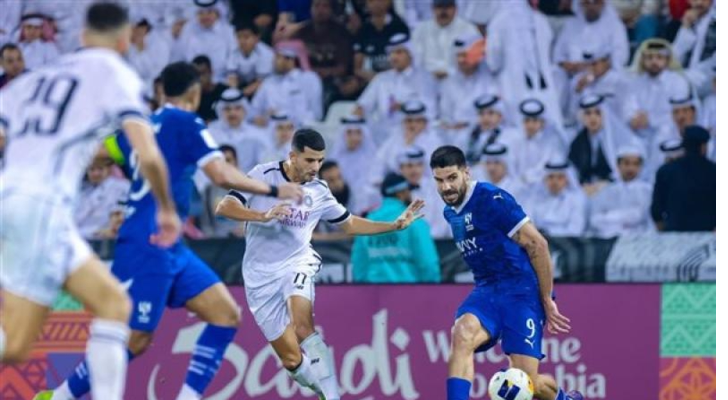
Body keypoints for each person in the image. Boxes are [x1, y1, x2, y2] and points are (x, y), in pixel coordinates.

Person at [41, 62, 303, 400]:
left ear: (163, 90)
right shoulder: (186, 122)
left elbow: (97, 153)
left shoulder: (138, 127)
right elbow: (219, 174)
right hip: (148, 243)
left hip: (171, 245)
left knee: (224, 314)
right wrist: (273, 190)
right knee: (137, 339)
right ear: (194, 94)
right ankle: (57, 397)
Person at [0, 5, 181, 400]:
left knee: (113, 303)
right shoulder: (115, 74)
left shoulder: (35, 79)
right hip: (41, 207)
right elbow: (148, 154)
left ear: (81, 37)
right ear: (123, 40)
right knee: (14, 345)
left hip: (14, 198)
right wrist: (167, 208)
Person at [216, 129, 425, 400]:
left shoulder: (319, 190)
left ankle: (333, 397)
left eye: (320, 161)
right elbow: (224, 208)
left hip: (297, 262)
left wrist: (393, 226)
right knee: (292, 361)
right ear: (293, 156)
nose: (316, 167)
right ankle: (323, 391)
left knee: (303, 326)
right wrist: (262, 215)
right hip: (258, 275)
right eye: (310, 160)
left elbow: (349, 223)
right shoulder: (263, 175)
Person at [429, 146, 582, 400]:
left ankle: (563, 398)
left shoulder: (492, 199)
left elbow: (538, 245)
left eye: (452, 178)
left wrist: (547, 299)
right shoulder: (450, 211)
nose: (446, 187)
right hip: (486, 291)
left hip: (521, 292)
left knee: (527, 383)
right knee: (462, 333)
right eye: (439, 180)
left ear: (466, 173)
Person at [486, 1, 563, 129]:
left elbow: (493, 62)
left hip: (513, 88)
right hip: (543, 89)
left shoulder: (499, 22)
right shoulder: (540, 19)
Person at [353, 173, 441, 283]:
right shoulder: (414, 222)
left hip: (374, 295)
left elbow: (359, 266)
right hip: (408, 294)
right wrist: (431, 292)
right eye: (409, 191)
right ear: (401, 193)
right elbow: (428, 263)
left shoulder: (366, 222)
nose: (410, 195)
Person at [355, 33, 437, 144]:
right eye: (391, 53)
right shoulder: (381, 79)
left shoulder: (424, 78)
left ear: (410, 54)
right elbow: (364, 104)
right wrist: (360, 110)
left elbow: (430, 109)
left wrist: (403, 107)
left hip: (414, 132)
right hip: (383, 133)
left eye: (399, 53)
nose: (393, 57)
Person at [652, 125, 716, 232]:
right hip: (706, 234)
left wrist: (664, 231)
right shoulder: (713, 171)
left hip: (674, 235)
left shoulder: (665, 171)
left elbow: (656, 210)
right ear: (703, 146)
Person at [624, 39, 687, 148]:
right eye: (649, 58)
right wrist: (632, 119)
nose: (654, 62)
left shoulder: (678, 82)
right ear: (643, 60)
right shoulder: (636, 82)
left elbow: (680, 114)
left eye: (659, 57)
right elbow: (628, 106)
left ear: (667, 60)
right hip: (638, 131)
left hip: (667, 133)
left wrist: (651, 120)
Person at [294, 0, 357, 105]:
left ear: (331, 10)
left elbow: (343, 68)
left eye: (325, 6)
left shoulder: (341, 33)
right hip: (306, 79)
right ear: (311, 9)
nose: (320, 10)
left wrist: (322, 73)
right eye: (316, 6)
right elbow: (295, 65)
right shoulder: (302, 33)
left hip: (332, 80)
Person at [439, 35, 497, 146]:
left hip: (486, 135)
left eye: (465, 55)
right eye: (458, 56)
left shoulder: (490, 80)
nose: (461, 60)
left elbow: (493, 115)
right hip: (454, 136)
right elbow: (446, 118)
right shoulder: (448, 83)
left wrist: (470, 124)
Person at [569, 94, 634, 188]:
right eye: (588, 113)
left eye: (597, 113)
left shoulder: (618, 138)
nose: (592, 118)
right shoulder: (577, 142)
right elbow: (573, 170)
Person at [589, 146, 654, 238]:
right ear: (618, 165)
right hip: (609, 237)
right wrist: (622, 219)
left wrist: (610, 216)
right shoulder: (606, 190)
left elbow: (645, 219)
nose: (631, 168)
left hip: (640, 239)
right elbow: (595, 219)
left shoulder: (648, 191)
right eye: (626, 163)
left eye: (635, 164)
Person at [251, 46, 324, 127]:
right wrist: (261, 118)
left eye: (277, 57)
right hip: (270, 130)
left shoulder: (308, 79)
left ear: (290, 60)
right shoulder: (268, 82)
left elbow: (316, 113)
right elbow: (254, 110)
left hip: (300, 130)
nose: (273, 62)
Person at [411, 0, 480, 80]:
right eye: (439, 7)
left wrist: (451, 72)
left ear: (455, 9)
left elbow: (475, 59)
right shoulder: (420, 30)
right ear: (432, 9)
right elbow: (415, 60)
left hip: (460, 80)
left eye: (447, 7)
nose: (443, 11)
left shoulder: (468, 29)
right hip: (427, 80)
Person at [208, 87, 271, 174]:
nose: (232, 113)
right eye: (227, 109)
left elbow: (266, 165)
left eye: (237, 108)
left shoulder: (257, 134)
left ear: (245, 110)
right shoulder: (211, 133)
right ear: (220, 111)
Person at [172, 0, 236, 83]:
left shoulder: (228, 31)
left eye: (209, 12)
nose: (205, 17)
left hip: (221, 80)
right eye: (201, 13)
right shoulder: (188, 29)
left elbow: (233, 59)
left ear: (217, 13)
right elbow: (180, 56)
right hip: (192, 81)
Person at [398, 147, 451, 239]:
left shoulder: (436, 187)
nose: (415, 170)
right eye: (410, 166)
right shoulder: (395, 191)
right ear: (401, 168)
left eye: (419, 165)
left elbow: (442, 219)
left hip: (435, 240)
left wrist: (425, 239)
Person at [508, 99, 564, 186]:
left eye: (534, 121)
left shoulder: (550, 142)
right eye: (527, 121)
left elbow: (546, 167)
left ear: (542, 123)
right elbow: (511, 165)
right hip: (518, 185)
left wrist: (528, 177)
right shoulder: (515, 142)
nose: (530, 125)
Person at [330, 116, 379, 215]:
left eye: (358, 133)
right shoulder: (335, 158)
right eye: (349, 133)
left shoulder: (373, 157)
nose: (354, 137)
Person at [353, 0, 410, 84]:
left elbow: (406, 61)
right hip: (372, 80)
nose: (376, 4)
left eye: (380, 0)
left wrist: (385, 77)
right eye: (371, 1)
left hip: (397, 79)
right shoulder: (363, 30)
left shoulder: (399, 27)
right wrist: (372, 77)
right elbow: (357, 68)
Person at [529, 161, 588, 237]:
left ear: (567, 180)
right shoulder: (535, 197)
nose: (555, 182)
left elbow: (576, 230)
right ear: (544, 179)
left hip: (567, 245)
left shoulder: (577, 199)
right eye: (551, 177)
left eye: (560, 178)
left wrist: (548, 232)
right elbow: (529, 224)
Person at [75, 160, 131, 240]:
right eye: (92, 170)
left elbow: (122, 216)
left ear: (109, 169)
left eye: (100, 169)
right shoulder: (81, 190)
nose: (96, 173)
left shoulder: (122, 187)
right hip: (80, 239)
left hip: (107, 241)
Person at [463, 95, 516, 165]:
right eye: (481, 114)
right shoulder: (469, 135)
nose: (485, 118)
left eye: (491, 113)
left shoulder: (510, 136)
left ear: (500, 116)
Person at [127, 14, 172, 95]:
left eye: (133, 29)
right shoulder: (130, 44)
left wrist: (141, 50)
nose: (130, 33)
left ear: (143, 29)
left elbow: (156, 74)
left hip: (152, 91)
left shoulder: (160, 45)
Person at [226, 23, 274, 96]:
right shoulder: (233, 50)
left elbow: (260, 82)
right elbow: (232, 78)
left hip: (264, 87)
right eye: (239, 37)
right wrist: (234, 93)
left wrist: (241, 95)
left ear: (257, 38)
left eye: (246, 37)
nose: (242, 41)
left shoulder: (266, 53)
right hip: (242, 85)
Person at [672, 0, 715, 71]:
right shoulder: (680, 21)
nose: (699, 3)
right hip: (684, 76)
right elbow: (675, 56)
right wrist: (686, 27)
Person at [192, 55, 229, 123]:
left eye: (203, 73)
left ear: (211, 72)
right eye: (196, 74)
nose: (200, 78)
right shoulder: (192, 97)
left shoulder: (225, 92)